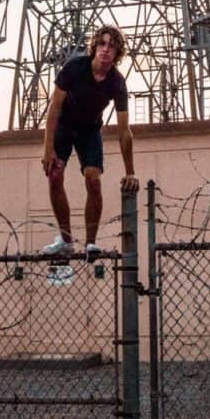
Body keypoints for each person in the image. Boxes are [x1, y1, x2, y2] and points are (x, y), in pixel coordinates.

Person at [41, 25, 139, 267]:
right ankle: (65, 240)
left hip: (89, 130)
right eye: (102, 44)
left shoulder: (116, 82)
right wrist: (48, 149)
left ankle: (91, 243)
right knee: (55, 175)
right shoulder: (75, 67)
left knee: (93, 179)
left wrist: (130, 171)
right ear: (95, 47)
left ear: (117, 53)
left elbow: (124, 130)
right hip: (64, 125)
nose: (106, 49)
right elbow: (54, 109)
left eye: (112, 46)